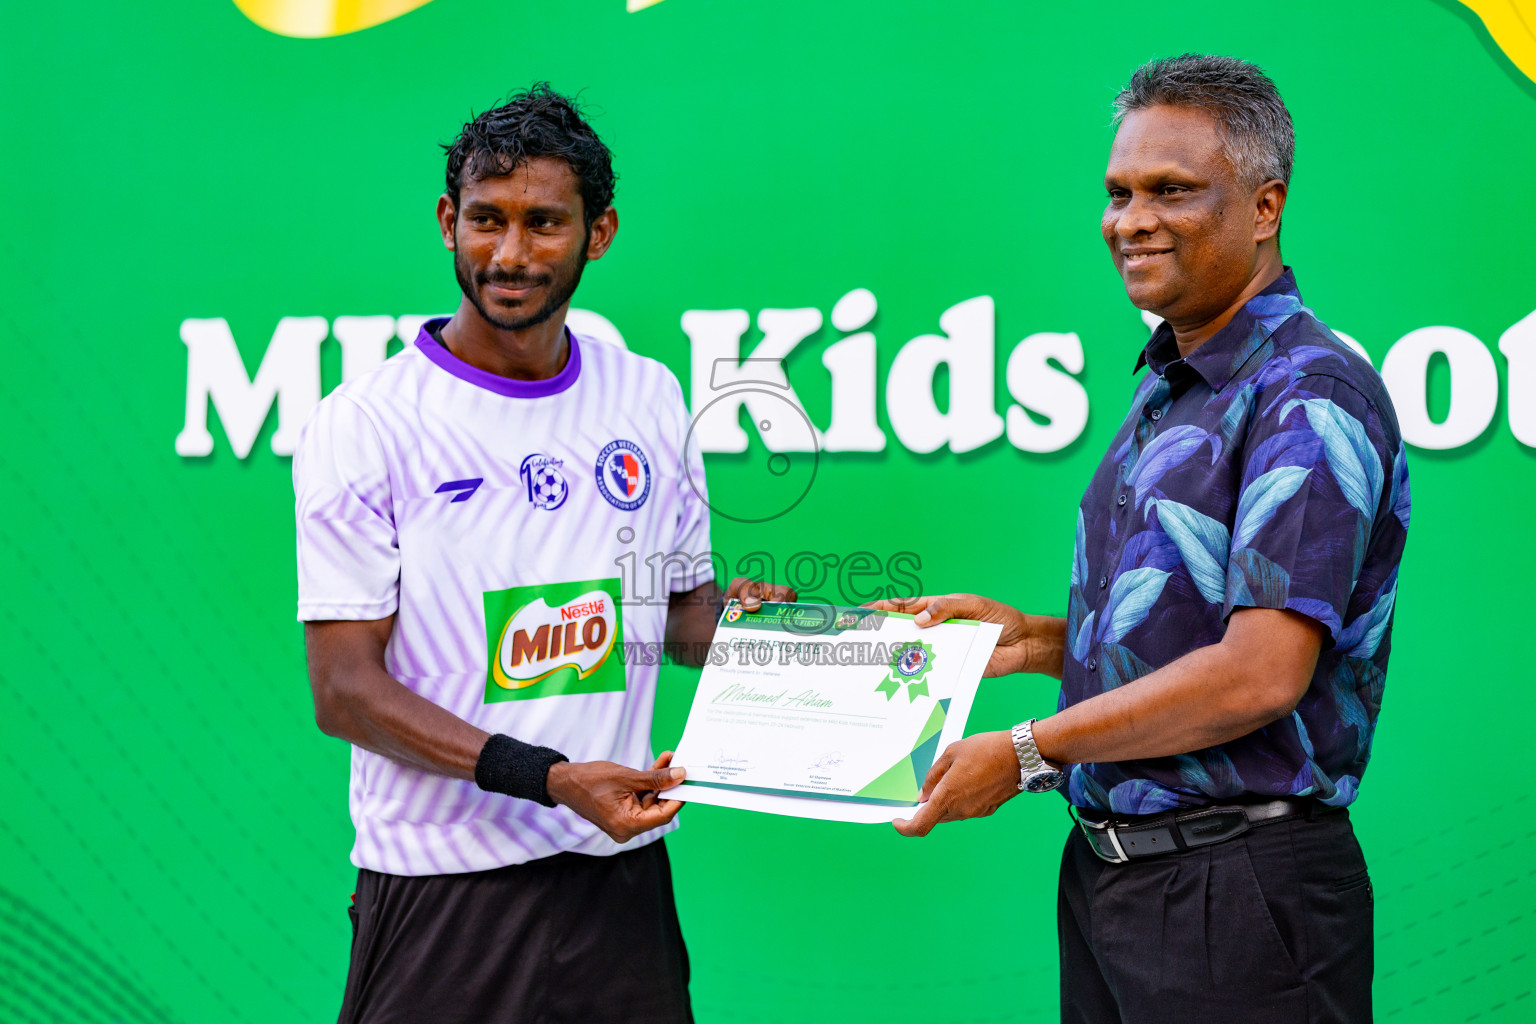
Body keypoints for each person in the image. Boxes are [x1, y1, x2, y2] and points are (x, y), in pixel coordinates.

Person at [871, 55, 1408, 1023]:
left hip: (1240, 894)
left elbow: (1258, 673)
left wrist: (1030, 752)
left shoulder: (1307, 393)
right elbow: (1191, 628)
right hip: (1116, 881)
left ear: (1263, 207)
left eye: (1171, 191)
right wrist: (1034, 643)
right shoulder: (1169, 381)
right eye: (1119, 193)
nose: (1131, 220)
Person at [294, 84, 792, 1024]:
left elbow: (679, 620)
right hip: (445, 893)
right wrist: (552, 777)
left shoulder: (646, 396)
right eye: (486, 220)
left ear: (598, 233)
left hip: (618, 881)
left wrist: (752, 628)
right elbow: (344, 692)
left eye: (543, 224)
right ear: (449, 221)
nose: (510, 254)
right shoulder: (365, 424)